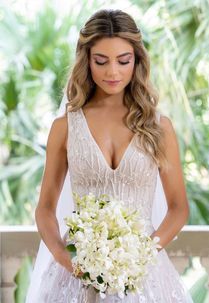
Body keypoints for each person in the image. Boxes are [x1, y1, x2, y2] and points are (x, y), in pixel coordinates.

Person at [25, 8, 193, 302]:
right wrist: (65, 258)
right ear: (86, 61)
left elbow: (179, 207)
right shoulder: (65, 127)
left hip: (146, 275)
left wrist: (142, 253)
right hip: (76, 275)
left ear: (137, 60)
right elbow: (45, 209)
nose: (112, 72)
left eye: (123, 61)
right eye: (101, 61)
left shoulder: (159, 127)